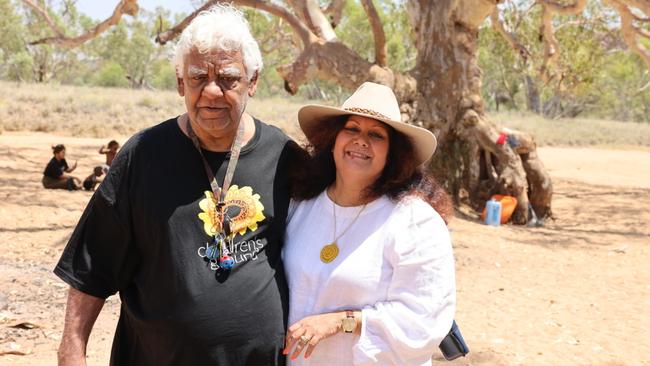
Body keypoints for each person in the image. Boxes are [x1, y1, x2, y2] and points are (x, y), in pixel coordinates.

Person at [54, 5, 297, 365]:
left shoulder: (284, 157)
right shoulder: (142, 156)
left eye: (228, 78)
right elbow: (93, 266)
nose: (212, 92)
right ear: (180, 82)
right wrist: (71, 349)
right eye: (198, 78)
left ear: (253, 80)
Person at [283, 82, 456, 365]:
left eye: (376, 135)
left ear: (394, 153)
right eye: (351, 128)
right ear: (333, 139)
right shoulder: (302, 205)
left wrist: (342, 322)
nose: (361, 140)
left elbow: (423, 320)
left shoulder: (415, 222)